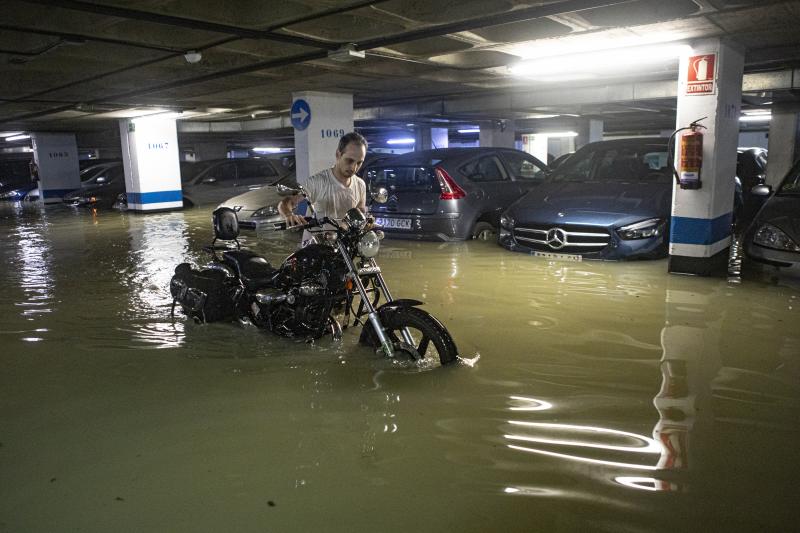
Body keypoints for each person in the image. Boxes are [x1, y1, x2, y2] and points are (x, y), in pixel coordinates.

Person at [278, 132, 368, 243]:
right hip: (316, 247)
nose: (354, 168)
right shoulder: (318, 182)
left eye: (359, 163)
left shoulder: (360, 184)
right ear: (338, 154)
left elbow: (360, 210)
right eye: (349, 161)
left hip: (342, 247)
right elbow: (287, 203)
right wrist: (289, 215)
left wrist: (366, 220)